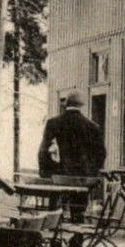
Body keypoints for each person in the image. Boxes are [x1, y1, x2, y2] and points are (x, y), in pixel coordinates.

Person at [38, 93, 106, 224]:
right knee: (78, 212)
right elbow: (101, 153)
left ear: (65, 104)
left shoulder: (53, 123)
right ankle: (76, 242)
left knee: (55, 212)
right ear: (82, 105)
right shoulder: (92, 126)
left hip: (58, 177)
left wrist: (46, 173)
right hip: (82, 178)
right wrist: (91, 172)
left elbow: (43, 151)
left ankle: (55, 242)